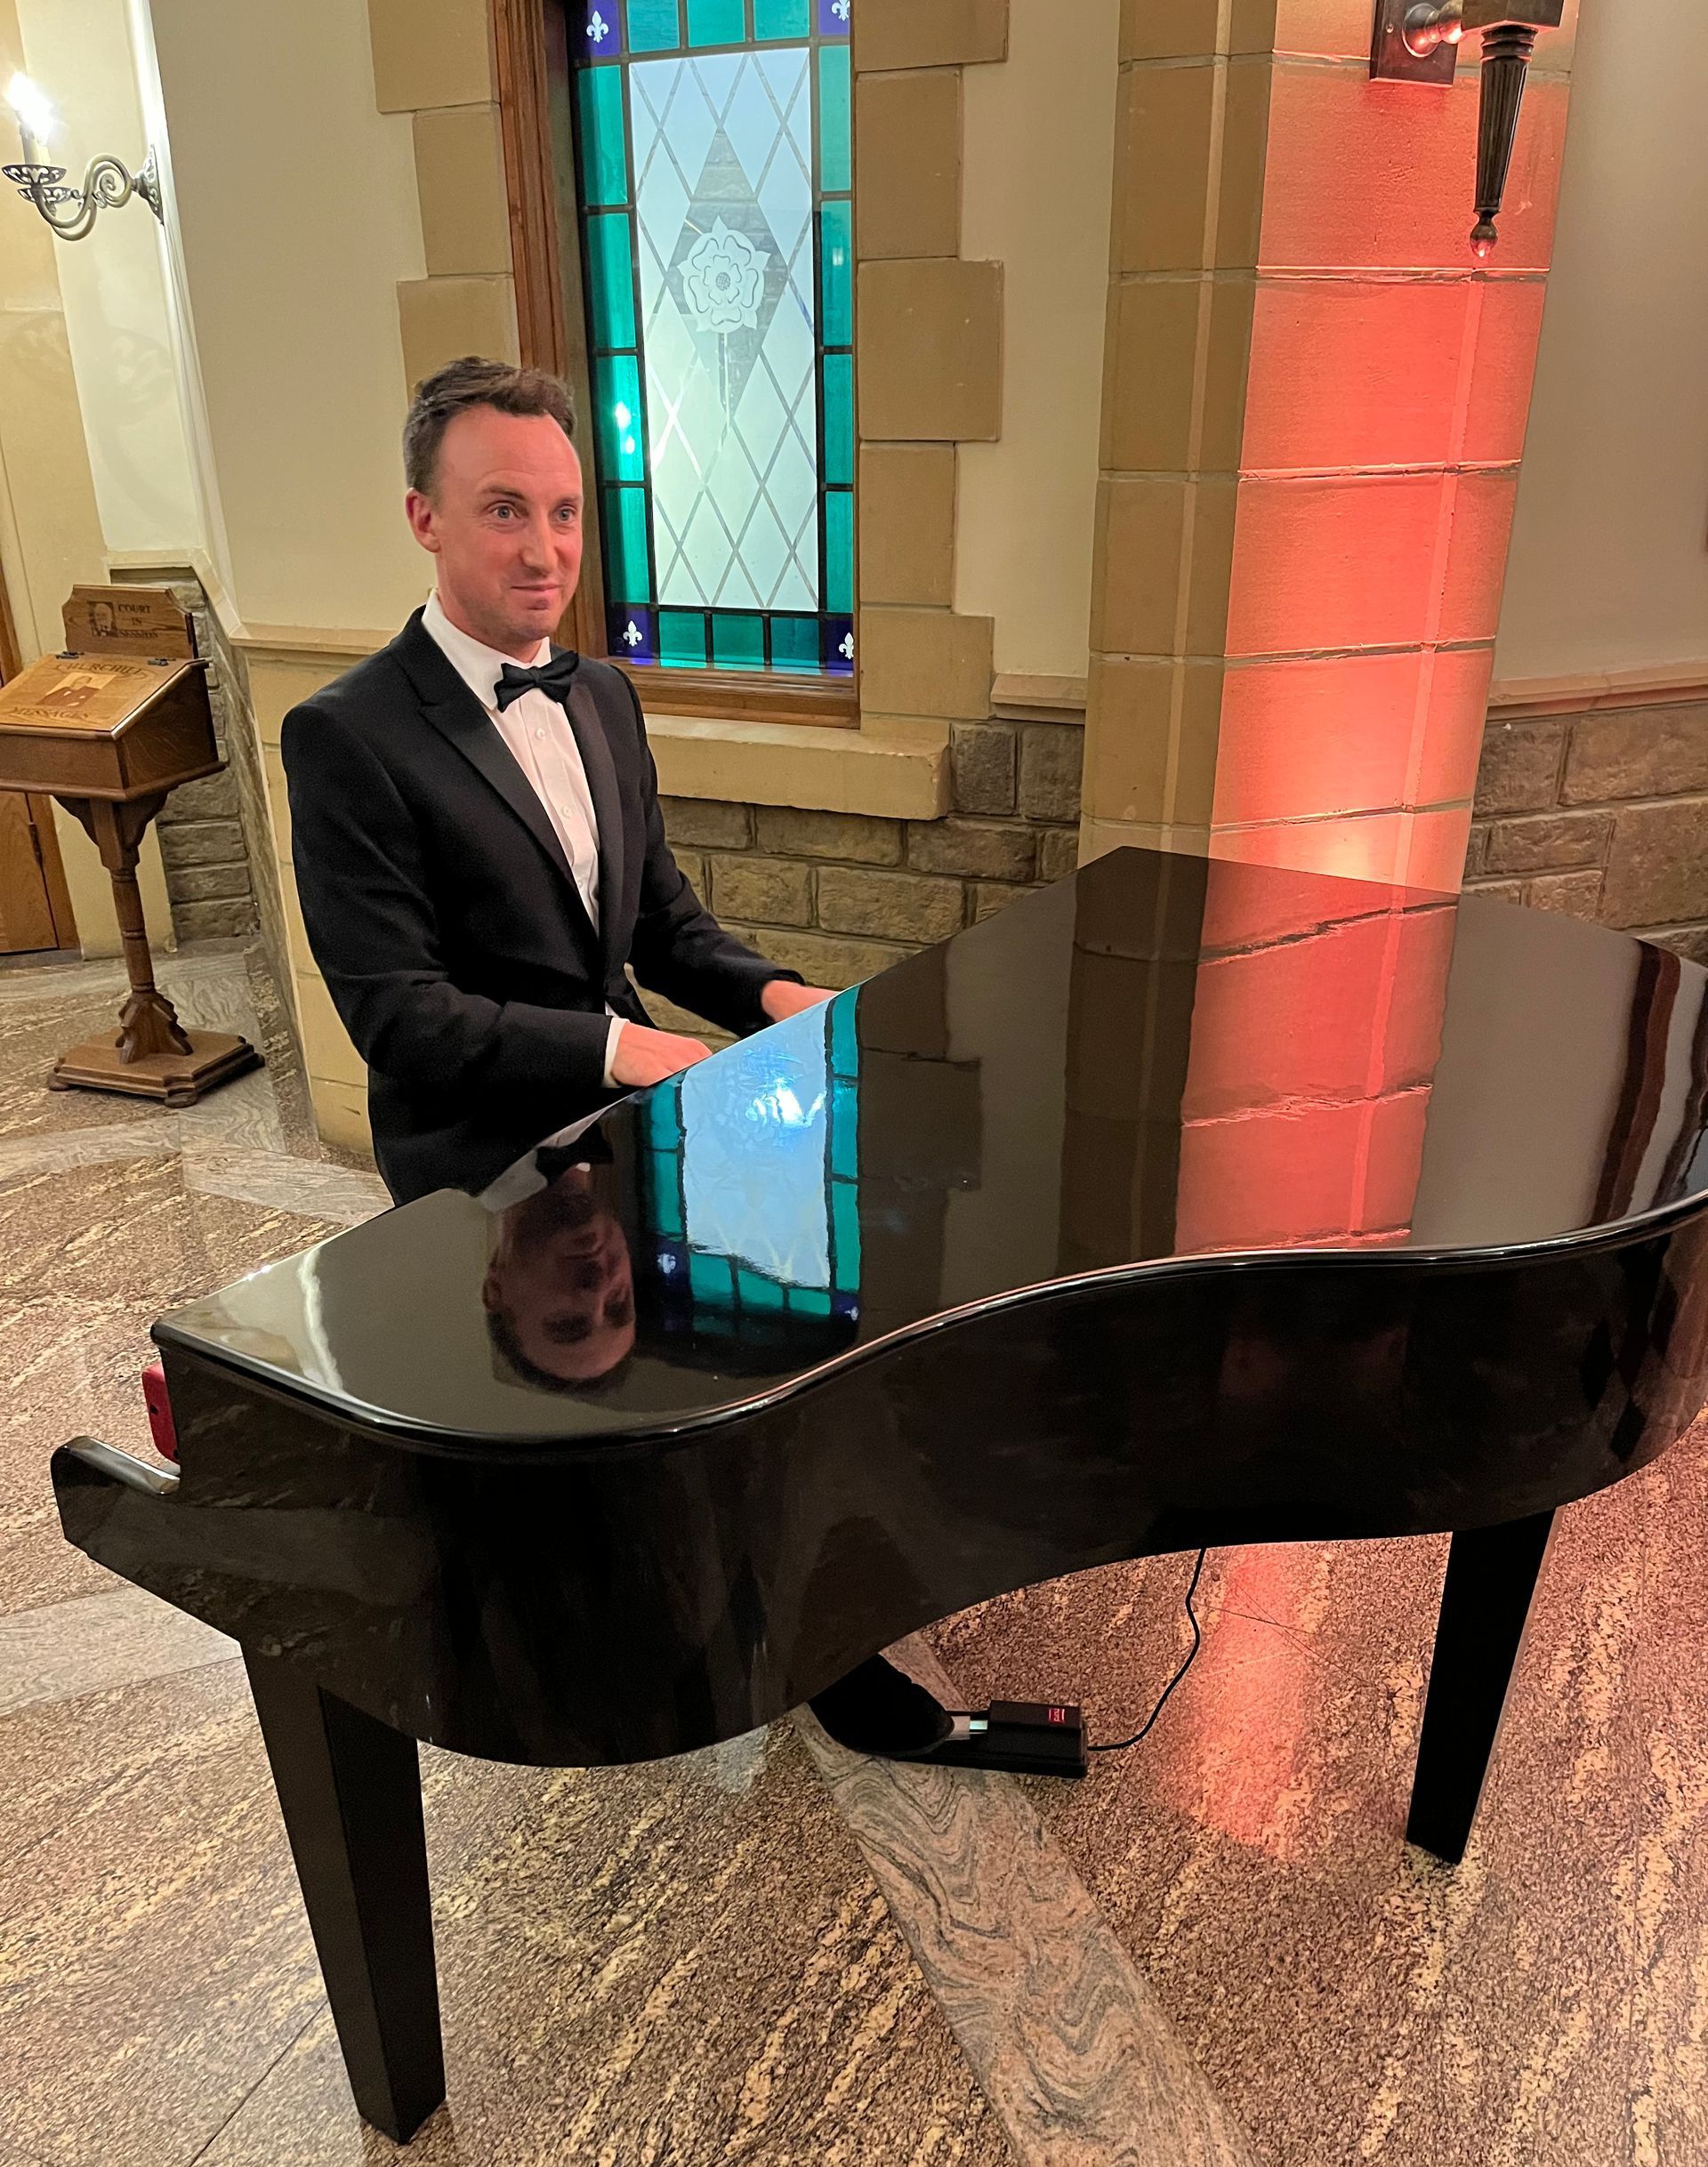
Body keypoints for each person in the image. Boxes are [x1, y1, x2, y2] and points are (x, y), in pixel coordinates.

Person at [281, 354, 832, 1204]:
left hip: (624, 1122)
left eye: (565, 513)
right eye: (505, 511)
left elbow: (662, 923)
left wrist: (774, 995)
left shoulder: (603, 693)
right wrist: (613, 1049)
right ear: (425, 519)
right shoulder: (345, 734)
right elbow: (401, 1016)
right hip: (478, 1160)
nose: (546, 552)